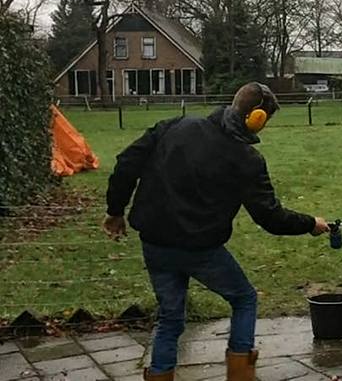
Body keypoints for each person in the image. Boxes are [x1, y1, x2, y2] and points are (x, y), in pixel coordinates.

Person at [102, 82, 329, 381]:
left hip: (155, 243)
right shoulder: (247, 159)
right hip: (201, 250)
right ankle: (240, 375)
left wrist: (116, 211)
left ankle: (159, 375)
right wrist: (310, 224)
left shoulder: (176, 125)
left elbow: (126, 163)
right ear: (256, 118)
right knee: (245, 298)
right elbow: (269, 217)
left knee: (170, 317)